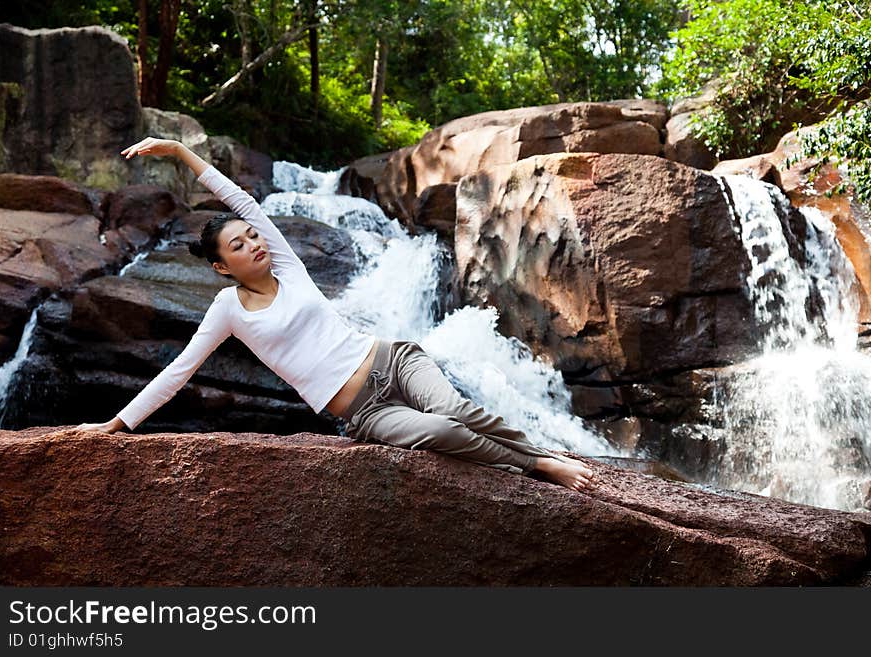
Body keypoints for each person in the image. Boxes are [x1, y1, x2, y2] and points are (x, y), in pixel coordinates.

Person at [76, 137, 596, 494]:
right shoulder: (228, 309)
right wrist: (116, 424)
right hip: (362, 414)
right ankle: (536, 463)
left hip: (393, 361)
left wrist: (184, 153)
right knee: (442, 433)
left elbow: (243, 201)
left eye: (253, 235)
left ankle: (545, 459)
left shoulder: (285, 261)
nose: (253, 243)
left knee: (458, 411)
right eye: (238, 244)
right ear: (220, 266)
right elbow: (179, 369)